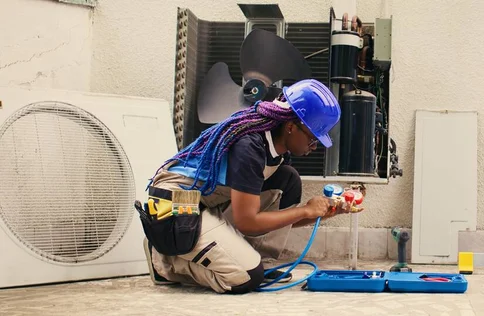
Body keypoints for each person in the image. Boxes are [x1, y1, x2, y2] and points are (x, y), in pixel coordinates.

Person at [141, 79, 358, 294]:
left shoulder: (276, 150)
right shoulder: (250, 146)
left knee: (287, 180)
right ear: (291, 127)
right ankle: (165, 263)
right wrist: (305, 210)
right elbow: (248, 222)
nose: (314, 147)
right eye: (313, 139)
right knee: (247, 278)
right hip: (177, 203)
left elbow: (283, 219)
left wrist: (325, 212)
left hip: (207, 201)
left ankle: (247, 258)